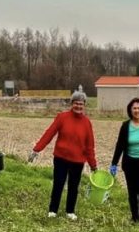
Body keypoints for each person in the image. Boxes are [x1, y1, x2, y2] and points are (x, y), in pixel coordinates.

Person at [28, 89, 97, 219]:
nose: (78, 106)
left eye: (81, 104)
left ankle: (70, 211)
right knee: (58, 184)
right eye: (76, 103)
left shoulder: (87, 123)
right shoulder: (62, 117)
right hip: (61, 158)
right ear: (71, 104)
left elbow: (89, 146)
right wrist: (37, 149)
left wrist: (93, 165)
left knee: (73, 186)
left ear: (84, 105)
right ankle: (53, 209)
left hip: (77, 161)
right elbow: (49, 133)